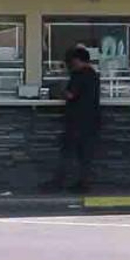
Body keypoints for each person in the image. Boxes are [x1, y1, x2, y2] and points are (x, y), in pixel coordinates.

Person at [47, 46, 100, 193]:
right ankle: (82, 183)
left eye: (71, 61)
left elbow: (71, 95)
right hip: (91, 120)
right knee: (85, 155)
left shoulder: (79, 74)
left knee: (68, 152)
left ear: (77, 60)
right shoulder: (93, 74)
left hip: (78, 120)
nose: (70, 65)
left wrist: (58, 90)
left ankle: (60, 182)